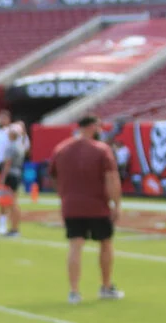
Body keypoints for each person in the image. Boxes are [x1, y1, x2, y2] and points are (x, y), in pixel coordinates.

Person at [48, 115, 124, 304]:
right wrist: (116, 204)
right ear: (92, 127)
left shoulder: (61, 148)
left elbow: (54, 178)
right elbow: (111, 179)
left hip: (71, 205)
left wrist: (64, 196)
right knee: (105, 243)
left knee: (75, 245)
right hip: (97, 205)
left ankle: (74, 291)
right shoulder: (101, 149)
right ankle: (106, 286)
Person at [0, 122, 28, 236]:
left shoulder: (11, 146)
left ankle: (14, 229)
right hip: (17, 173)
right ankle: (14, 227)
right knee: (13, 202)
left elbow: (7, 164)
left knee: (11, 203)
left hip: (11, 175)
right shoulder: (20, 145)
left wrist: (2, 178)